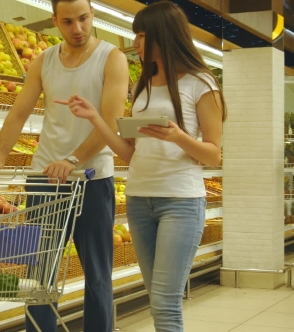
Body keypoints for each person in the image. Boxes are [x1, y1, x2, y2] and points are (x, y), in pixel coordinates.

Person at [55, 1, 227, 331]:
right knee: (156, 298)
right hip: (139, 201)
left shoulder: (201, 84)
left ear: (165, 34)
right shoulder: (143, 86)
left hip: (181, 203)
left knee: (164, 303)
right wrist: (96, 118)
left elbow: (213, 155)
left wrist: (176, 135)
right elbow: (131, 154)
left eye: (141, 35)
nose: (135, 43)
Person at [0, 0, 129, 330]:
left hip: (92, 179)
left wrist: (72, 159)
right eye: (69, 22)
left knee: (97, 274)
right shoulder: (43, 61)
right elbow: (19, 113)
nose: (78, 29)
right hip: (45, 179)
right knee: (40, 274)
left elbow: (112, 121)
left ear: (93, 15)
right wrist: (0, 155)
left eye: (84, 19)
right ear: (55, 21)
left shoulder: (112, 58)